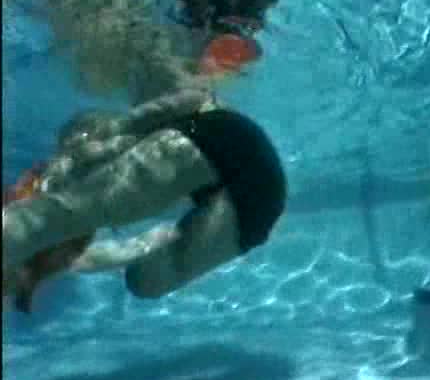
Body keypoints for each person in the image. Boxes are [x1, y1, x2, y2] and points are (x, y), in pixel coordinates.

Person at [2, 88, 287, 302]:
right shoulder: (253, 213)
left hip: (216, 134)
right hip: (227, 143)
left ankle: (139, 242)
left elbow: (146, 118)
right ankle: (142, 243)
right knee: (144, 279)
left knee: (69, 215)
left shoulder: (248, 214)